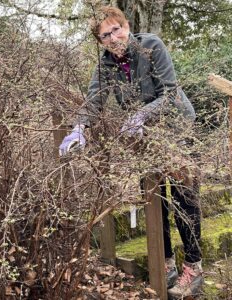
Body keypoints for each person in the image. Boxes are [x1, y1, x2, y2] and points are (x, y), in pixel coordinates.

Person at [59, 6, 203, 299]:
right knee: (152, 197)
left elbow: (171, 92)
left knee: (183, 197)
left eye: (117, 29)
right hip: (146, 137)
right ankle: (165, 262)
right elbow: (94, 99)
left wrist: (141, 115)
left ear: (126, 25)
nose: (113, 37)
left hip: (175, 127)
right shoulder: (105, 65)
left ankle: (194, 267)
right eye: (105, 35)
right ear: (100, 42)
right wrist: (79, 128)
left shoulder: (150, 46)